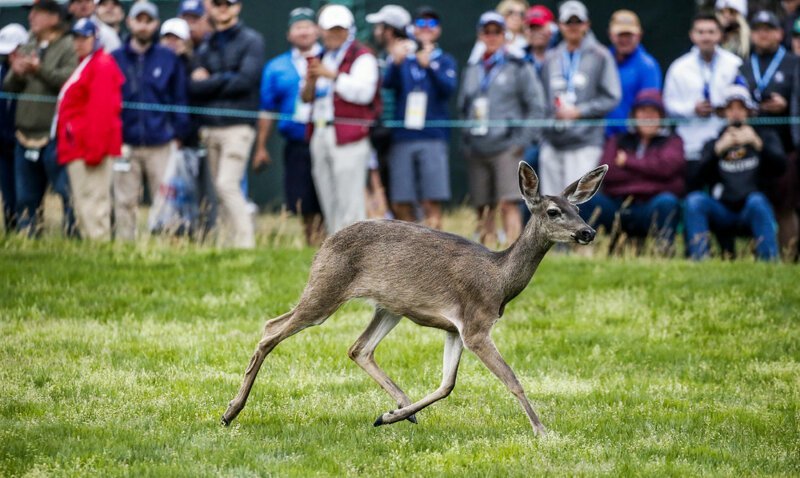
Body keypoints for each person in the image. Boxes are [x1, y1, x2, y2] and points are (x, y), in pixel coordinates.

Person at [458, 11, 544, 246]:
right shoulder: (472, 68)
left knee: (508, 203)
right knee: (482, 207)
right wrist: (466, 140)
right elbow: (463, 108)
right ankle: (484, 256)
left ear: (505, 35)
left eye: (497, 31)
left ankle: (515, 256)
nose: (492, 36)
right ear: (480, 35)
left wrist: (522, 140)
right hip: (477, 146)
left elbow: (537, 106)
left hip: (507, 147)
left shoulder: (518, 66)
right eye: (488, 31)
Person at [188, 0, 264, 248]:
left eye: (227, 4)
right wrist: (226, 79)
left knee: (226, 185)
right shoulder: (206, 44)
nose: (222, 8)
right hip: (210, 127)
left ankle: (246, 244)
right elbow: (194, 88)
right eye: (218, 3)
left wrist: (212, 81)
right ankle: (228, 245)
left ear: (237, 7)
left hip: (237, 127)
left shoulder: (252, 40)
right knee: (218, 192)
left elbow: (246, 80)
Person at [111, 1, 188, 241]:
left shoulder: (168, 57)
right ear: (129, 22)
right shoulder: (115, 58)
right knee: (124, 200)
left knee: (165, 198)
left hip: (161, 142)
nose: (143, 26)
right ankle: (125, 247)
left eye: (148, 21)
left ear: (155, 24)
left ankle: (164, 246)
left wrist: (178, 134)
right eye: (139, 20)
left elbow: (179, 98)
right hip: (125, 143)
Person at [301, 4, 380, 235]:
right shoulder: (320, 57)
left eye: (339, 29)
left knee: (350, 200)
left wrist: (333, 75)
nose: (334, 34)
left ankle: (355, 253)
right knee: (328, 196)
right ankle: (336, 253)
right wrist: (313, 80)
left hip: (349, 136)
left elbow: (364, 93)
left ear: (348, 30)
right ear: (321, 31)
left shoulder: (362, 57)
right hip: (320, 131)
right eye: (330, 29)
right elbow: (306, 98)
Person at [685, 85, 785, 261]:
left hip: (751, 208)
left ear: (749, 111)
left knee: (757, 201)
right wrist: (716, 151)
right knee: (695, 201)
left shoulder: (765, 137)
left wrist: (758, 144)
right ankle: (700, 261)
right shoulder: (715, 141)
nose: (736, 113)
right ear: (723, 112)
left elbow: (780, 168)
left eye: (740, 108)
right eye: (730, 108)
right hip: (723, 210)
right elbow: (693, 180)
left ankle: (770, 262)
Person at [3, 0, 77, 237]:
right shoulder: (30, 43)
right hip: (24, 135)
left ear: (55, 17)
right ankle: (29, 239)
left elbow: (69, 81)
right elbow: (8, 87)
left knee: (66, 193)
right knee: (26, 197)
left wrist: (39, 69)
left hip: (55, 137)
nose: (32, 16)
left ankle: (73, 238)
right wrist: (17, 71)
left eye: (38, 12)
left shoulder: (69, 46)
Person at [581, 89, 685, 254]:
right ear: (634, 115)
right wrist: (651, 174)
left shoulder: (673, 141)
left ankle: (663, 253)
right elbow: (607, 173)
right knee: (587, 201)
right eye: (643, 111)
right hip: (618, 205)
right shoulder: (618, 140)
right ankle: (582, 253)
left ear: (662, 117)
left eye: (653, 112)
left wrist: (628, 162)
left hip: (651, 206)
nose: (647, 117)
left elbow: (668, 169)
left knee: (667, 202)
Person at [253, 7, 324, 246]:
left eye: (307, 26)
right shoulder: (276, 67)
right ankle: (313, 245)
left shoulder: (332, 59)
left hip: (329, 138)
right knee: (303, 199)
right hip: (296, 143)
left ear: (317, 30)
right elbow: (267, 109)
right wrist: (261, 147)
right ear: (289, 34)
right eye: (297, 27)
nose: (303, 31)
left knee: (329, 197)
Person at [383, 5, 457, 230]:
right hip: (403, 137)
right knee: (401, 200)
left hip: (432, 136)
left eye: (431, 24)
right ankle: (410, 250)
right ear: (413, 29)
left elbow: (448, 89)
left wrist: (430, 67)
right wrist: (395, 63)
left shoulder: (445, 60)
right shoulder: (403, 58)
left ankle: (436, 252)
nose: (426, 28)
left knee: (431, 199)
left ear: (439, 30)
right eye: (421, 24)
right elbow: (388, 84)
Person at [538, 0, 621, 196]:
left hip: (584, 141)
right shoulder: (551, 57)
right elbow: (541, 99)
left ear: (586, 24)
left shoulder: (601, 55)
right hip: (553, 141)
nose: (573, 27)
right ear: (560, 25)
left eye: (578, 22)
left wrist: (579, 111)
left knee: (576, 203)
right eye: (569, 22)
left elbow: (612, 97)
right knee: (551, 204)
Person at [739, 10, 799, 260]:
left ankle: (789, 256)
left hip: (788, 148)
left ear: (779, 33)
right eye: (758, 29)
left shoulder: (793, 62)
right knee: (758, 202)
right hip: (754, 146)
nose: (763, 34)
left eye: (769, 29)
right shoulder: (744, 65)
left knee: (787, 205)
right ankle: (763, 255)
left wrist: (785, 104)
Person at [55, 19, 123, 240]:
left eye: (84, 37)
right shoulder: (86, 63)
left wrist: (95, 151)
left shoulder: (101, 64)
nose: (79, 42)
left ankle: (99, 245)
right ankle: (92, 245)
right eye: (76, 37)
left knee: (95, 199)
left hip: (90, 148)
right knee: (84, 199)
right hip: (79, 145)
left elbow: (101, 111)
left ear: (95, 38)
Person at [664, 13, 742, 182]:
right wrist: (692, 109)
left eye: (711, 32)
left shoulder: (734, 64)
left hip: (727, 142)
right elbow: (668, 105)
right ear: (692, 35)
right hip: (691, 145)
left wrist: (725, 109)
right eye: (700, 32)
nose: (706, 37)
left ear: (720, 35)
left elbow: (744, 100)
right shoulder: (679, 67)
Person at [366, 4, 411, 218]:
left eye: (379, 27)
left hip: (400, 135)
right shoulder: (384, 56)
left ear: (389, 30)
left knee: (401, 197)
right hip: (382, 134)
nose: (376, 32)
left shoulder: (408, 55)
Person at [604, 9, 662, 137]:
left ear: (639, 36)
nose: (624, 40)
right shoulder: (602, 59)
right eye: (620, 35)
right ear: (611, 35)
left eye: (629, 35)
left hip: (631, 140)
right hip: (600, 137)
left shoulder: (648, 66)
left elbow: (649, 108)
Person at [0, 24, 27, 233]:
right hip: (2, 145)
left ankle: (28, 232)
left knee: (25, 194)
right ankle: (11, 233)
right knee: (8, 195)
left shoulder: (28, 76)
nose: (9, 56)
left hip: (23, 142)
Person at [522, 5, 555, 77]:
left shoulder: (560, 55)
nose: (537, 33)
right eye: (532, 28)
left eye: (540, 28)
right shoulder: (519, 58)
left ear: (551, 29)